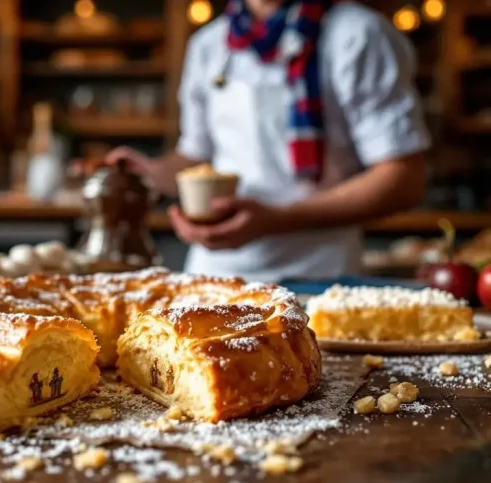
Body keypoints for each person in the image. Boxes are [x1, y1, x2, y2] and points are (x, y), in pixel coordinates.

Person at [106, 0, 430, 282]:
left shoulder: (358, 34)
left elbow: (403, 178)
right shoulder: (210, 44)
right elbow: (195, 157)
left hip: (319, 275)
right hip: (215, 274)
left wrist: (277, 219)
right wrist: (147, 172)